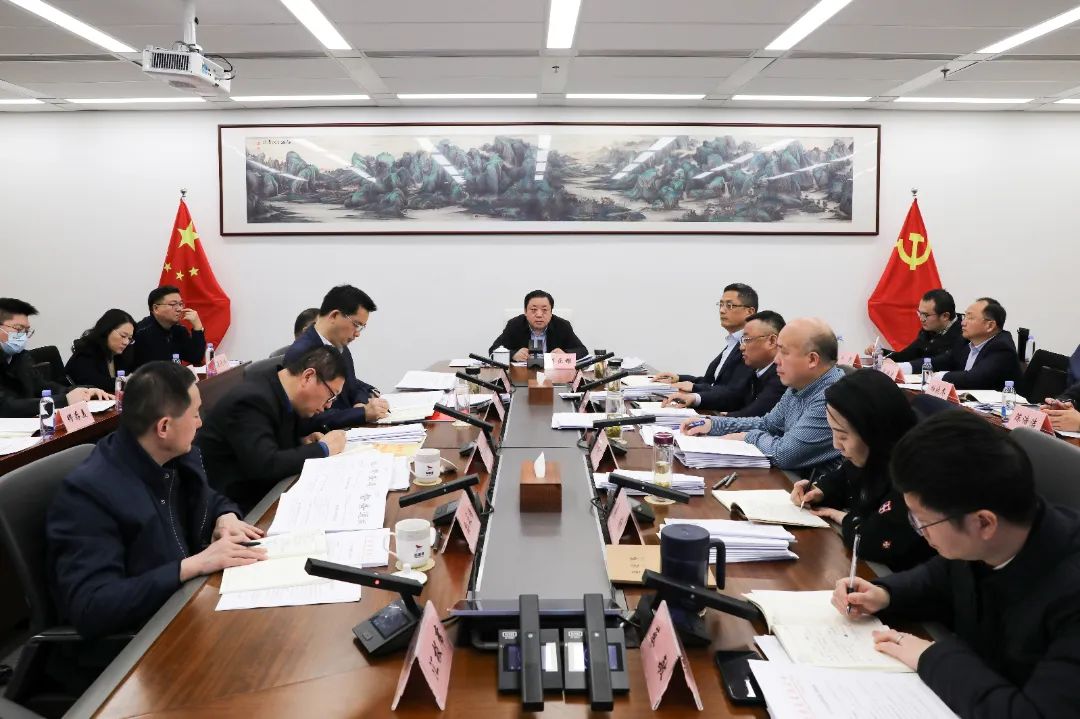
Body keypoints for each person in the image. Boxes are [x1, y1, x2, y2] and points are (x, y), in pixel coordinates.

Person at [833, 411, 1080, 718]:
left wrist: (931, 657)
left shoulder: (1070, 591)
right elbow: (943, 576)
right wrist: (885, 594)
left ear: (984, 523)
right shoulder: (995, 536)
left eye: (923, 521)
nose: (919, 531)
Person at [47, 361, 266, 641]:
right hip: (140, 641)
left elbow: (208, 497)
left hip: (186, 604)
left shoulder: (174, 456)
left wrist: (225, 516)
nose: (200, 422)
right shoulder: (89, 494)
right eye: (195, 414)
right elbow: (93, 607)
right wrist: (193, 565)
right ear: (164, 427)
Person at [791, 369, 933, 571]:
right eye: (833, 432)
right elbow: (844, 477)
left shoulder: (916, 466)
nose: (836, 445)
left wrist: (841, 517)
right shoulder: (875, 451)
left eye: (843, 435)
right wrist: (819, 491)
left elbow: (872, 541)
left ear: (873, 430)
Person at [681, 317, 843, 473]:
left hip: (813, 488)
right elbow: (768, 424)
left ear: (812, 359)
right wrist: (713, 424)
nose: (776, 360)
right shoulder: (799, 385)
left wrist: (748, 437)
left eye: (784, 352)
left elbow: (785, 454)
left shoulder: (832, 396)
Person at [198, 347, 349, 512]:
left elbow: (269, 443)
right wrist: (323, 449)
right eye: (331, 395)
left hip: (263, 493)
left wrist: (301, 442)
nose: (329, 405)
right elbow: (266, 465)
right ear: (308, 377)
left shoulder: (281, 391)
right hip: (232, 509)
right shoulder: (251, 400)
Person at [284, 285, 389, 428]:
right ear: (334, 315)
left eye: (362, 328)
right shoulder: (301, 353)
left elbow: (353, 386)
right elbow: (307, 419)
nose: (358, 333)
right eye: (356, 325)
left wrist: (359, 403)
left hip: (351, 429)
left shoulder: (340, 346)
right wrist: (361, 413)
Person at [0, 297, 109, 416]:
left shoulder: (20, 356)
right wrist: (64, 400)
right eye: (19, 329)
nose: (23, 336)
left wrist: (83, 391)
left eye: (26, 331)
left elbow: (43, 387)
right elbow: (5, 406)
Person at [655, 283, 757, 409]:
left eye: (730, 305)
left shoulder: (750, 346)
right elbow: (711, 382)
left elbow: (734, 392)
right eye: (721, 304)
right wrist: (679, 378)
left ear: (750, 312)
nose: (722, 310)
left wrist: (694, 390)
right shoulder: (733, 342)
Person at [669, 310, 786, 417]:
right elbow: (732, 395)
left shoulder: (782, 375)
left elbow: (756, 415)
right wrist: (694, 398)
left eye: (747, 340)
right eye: (742, 340)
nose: (741, 347)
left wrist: (722, 420)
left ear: (772, 341)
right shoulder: (756, 369)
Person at [921, 297, 1021, 390]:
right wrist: (911, 368)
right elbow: (942, 361)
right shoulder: (965, 341)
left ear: (990, 325)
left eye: (970, 318)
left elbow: (975, 378)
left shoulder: (1002, 347)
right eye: (965, 316)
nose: (963, 323)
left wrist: (938, 376)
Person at [873, 289, 966, 368]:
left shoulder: (963, 334)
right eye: (919, 313)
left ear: (945, 316)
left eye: (926, 315)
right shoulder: (928, 331)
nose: (921, 319)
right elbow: (906, 356)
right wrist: (881, 353)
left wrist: (909, 367)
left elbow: (943, 363)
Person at [488, 290, 587, 360]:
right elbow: (493, 351)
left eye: (544, 310)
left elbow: (583, 351)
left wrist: (565, 354)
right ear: (525, 311)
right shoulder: (514, 325)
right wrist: (513, 355)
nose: (539, 315)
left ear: (551, 312)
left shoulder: (562, 326)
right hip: (521, 377)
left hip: (554, 378)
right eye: (533, 309)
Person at [132, 285, 207, 367]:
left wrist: (198, 327)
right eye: (173, 304)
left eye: (180, 304)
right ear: (156, 308)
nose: (179, 309)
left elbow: (196, 358)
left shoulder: (179, 330)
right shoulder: (140, 333)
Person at [64, 309, 136, 393]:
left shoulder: (119, 354)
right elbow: (95, 384)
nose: (126, 342)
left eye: (129, 338)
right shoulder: (86, 351)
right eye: (123, 336)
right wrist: (127, 381)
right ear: (107, 330)